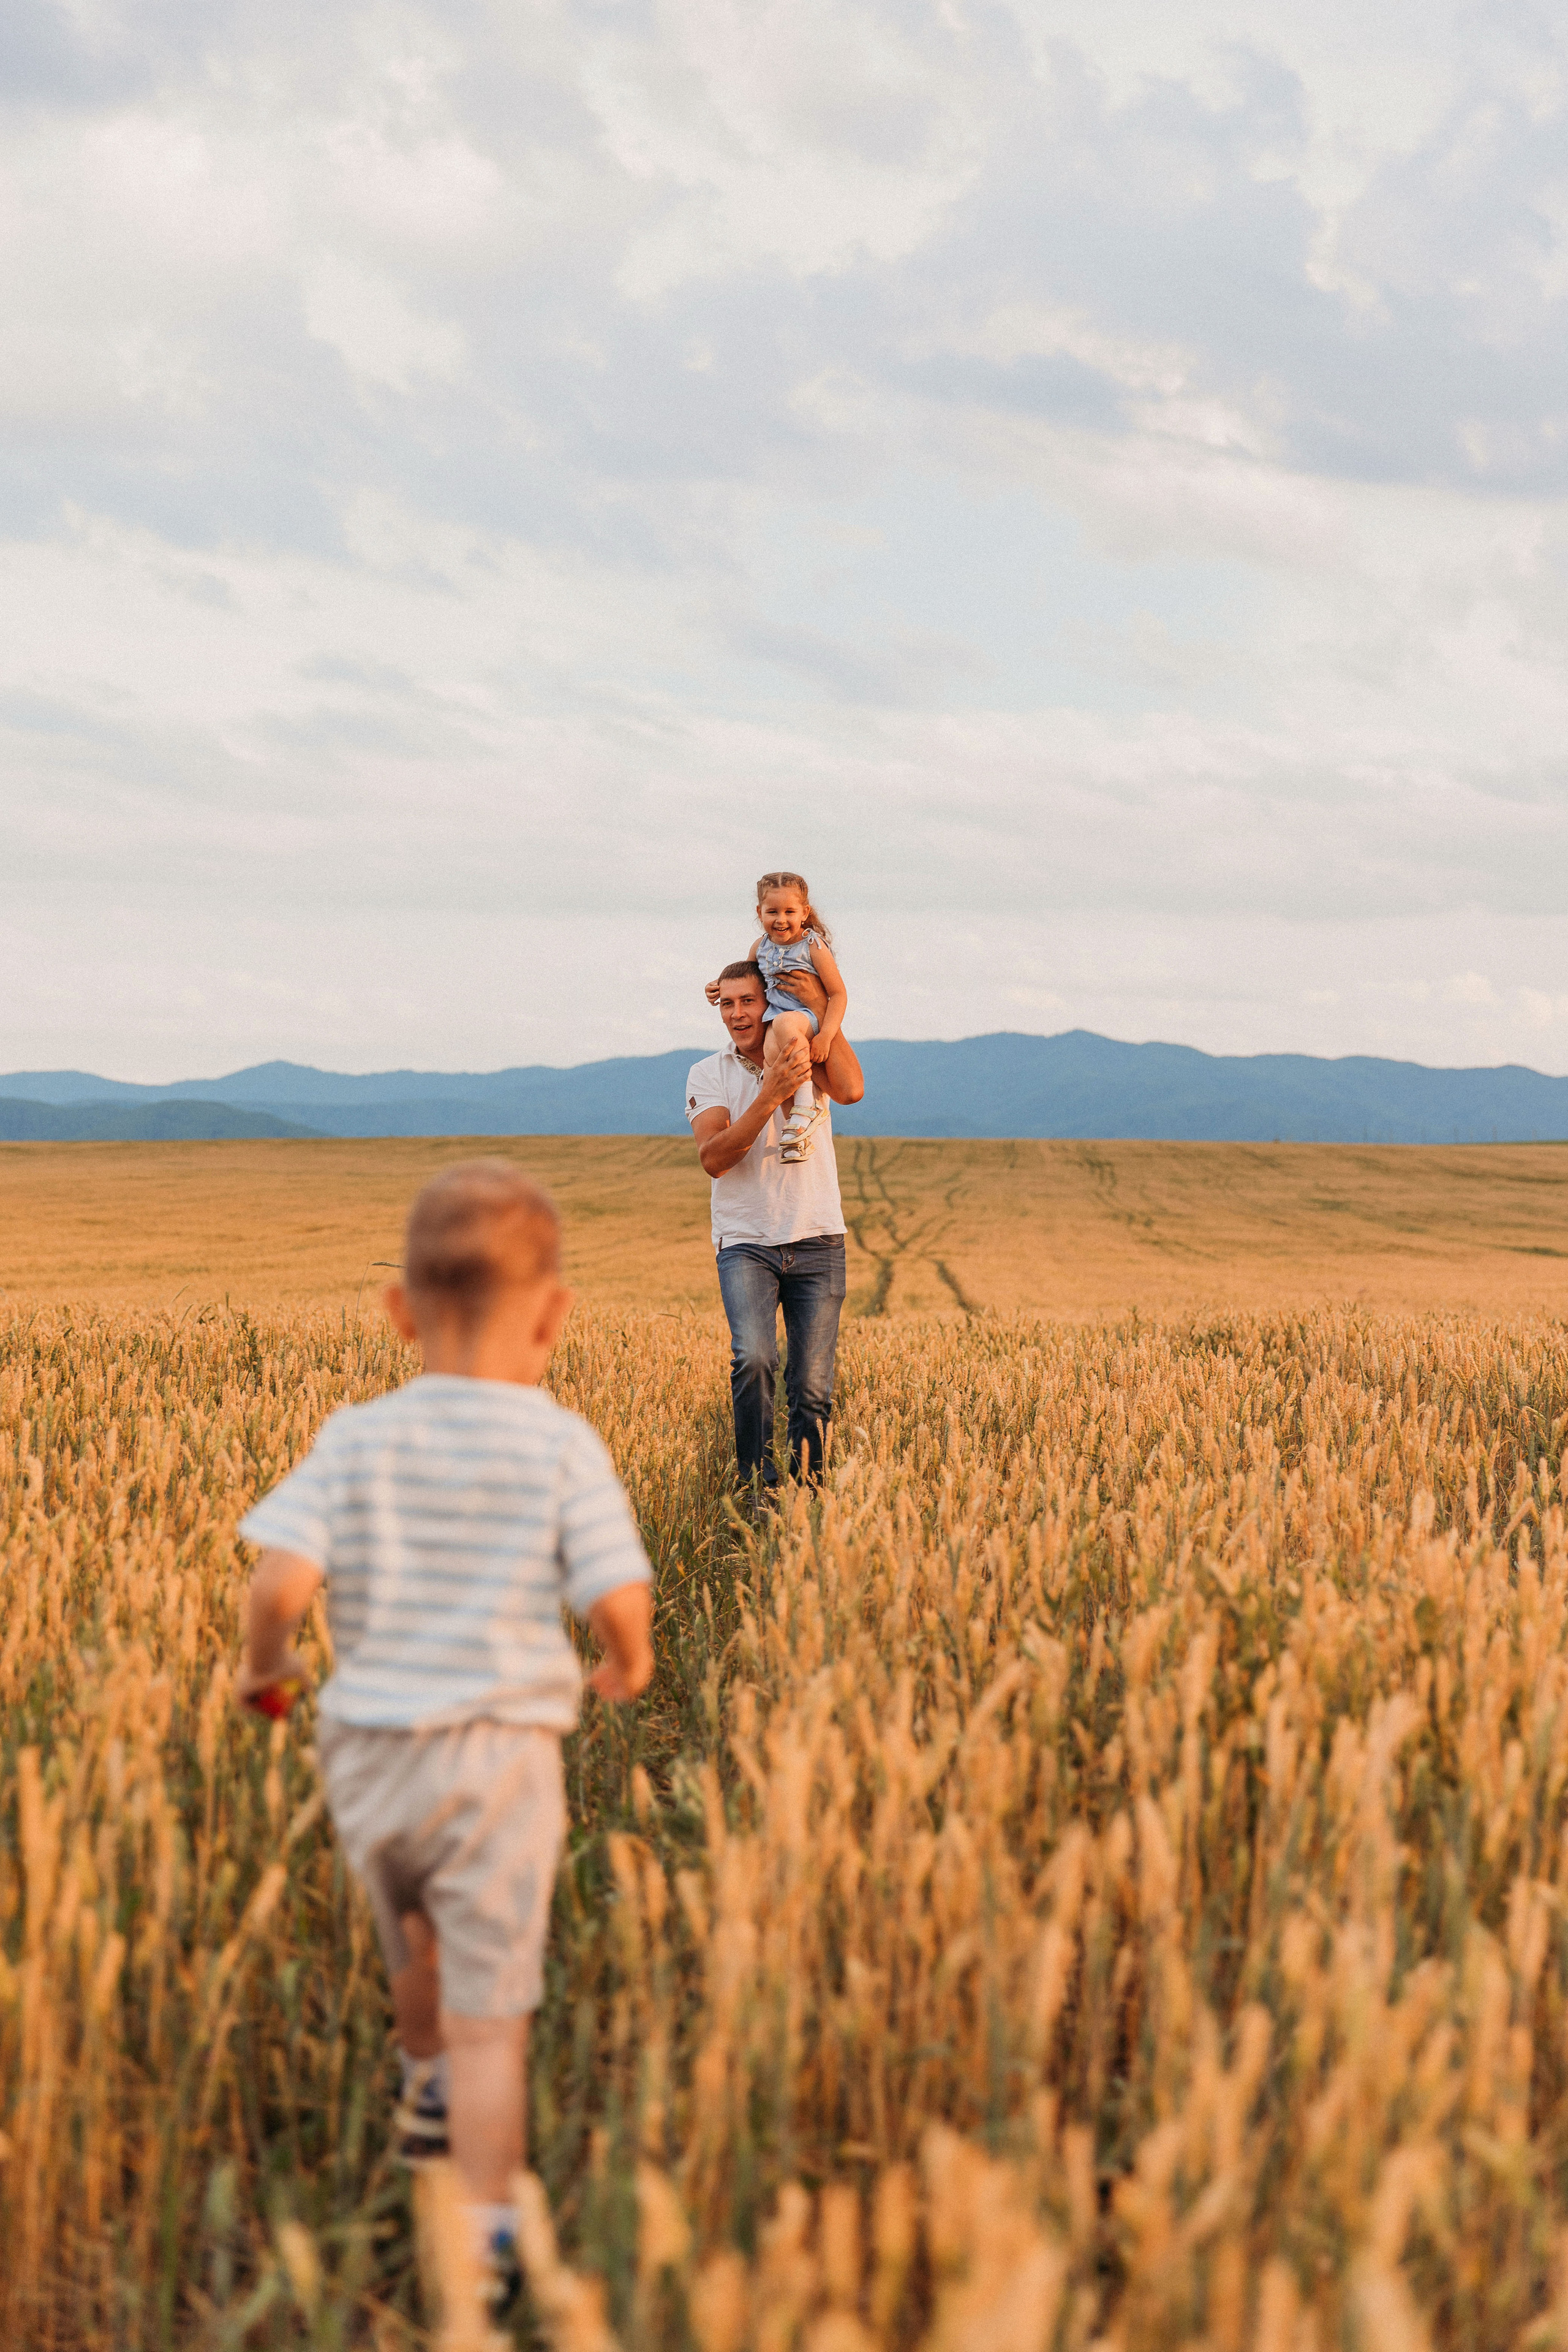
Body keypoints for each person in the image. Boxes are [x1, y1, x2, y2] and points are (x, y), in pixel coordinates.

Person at [233, 1161, 654, 2325]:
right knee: (492, 2021)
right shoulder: (561, 1445)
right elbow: (618, 1590)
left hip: (369, 1754)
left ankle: (418, 2081)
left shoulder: (356, 1438)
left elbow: (278, 1585)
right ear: (556, 1316)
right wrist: (632, 1658)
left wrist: (266, 1668)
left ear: (400, 1311)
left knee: (409, 1925)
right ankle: (485, 2242)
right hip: (499, 1756)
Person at [687, 959, 864, 1494]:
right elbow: (715, 1158)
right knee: (755, 1359)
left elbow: (852, 1090)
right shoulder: (707, 1072)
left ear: (770, 1002)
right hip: (746, 1242)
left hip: (817, 1235)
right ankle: (755, 1489)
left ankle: (808, 1491)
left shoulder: (800, 1048)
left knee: (811, 1385)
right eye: (727, 1004)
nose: (738, 1014)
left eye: (748, 1001)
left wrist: (821, 1013)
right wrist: (771, 1093)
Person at [704, 869, 848, 1161]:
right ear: (760, 913)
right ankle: (796, 1134)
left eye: (789, 911)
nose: (781, 919)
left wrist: (826, 1036)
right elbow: (746, 978)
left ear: (804, 912)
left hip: (806, 1018)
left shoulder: (813, 947)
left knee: (783, 1024)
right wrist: (719, 987)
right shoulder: (760, 947)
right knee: (772, 1061)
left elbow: (839, 994)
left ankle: (807, 1105)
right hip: (776, 1021)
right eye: (772, 912)